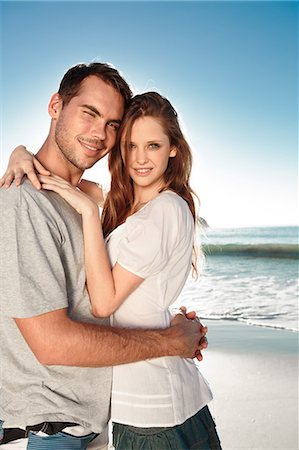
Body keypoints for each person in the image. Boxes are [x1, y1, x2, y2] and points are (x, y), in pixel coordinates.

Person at [0, 63, 208, 450]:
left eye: (114, 124)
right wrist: (169, 340)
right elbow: (53, 343)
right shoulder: (24, 204)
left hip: (97, 419)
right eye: (89, 113)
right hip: (52, 428)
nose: (100, 134)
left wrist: (168, 320)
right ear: (55, 106)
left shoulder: (90, 199)